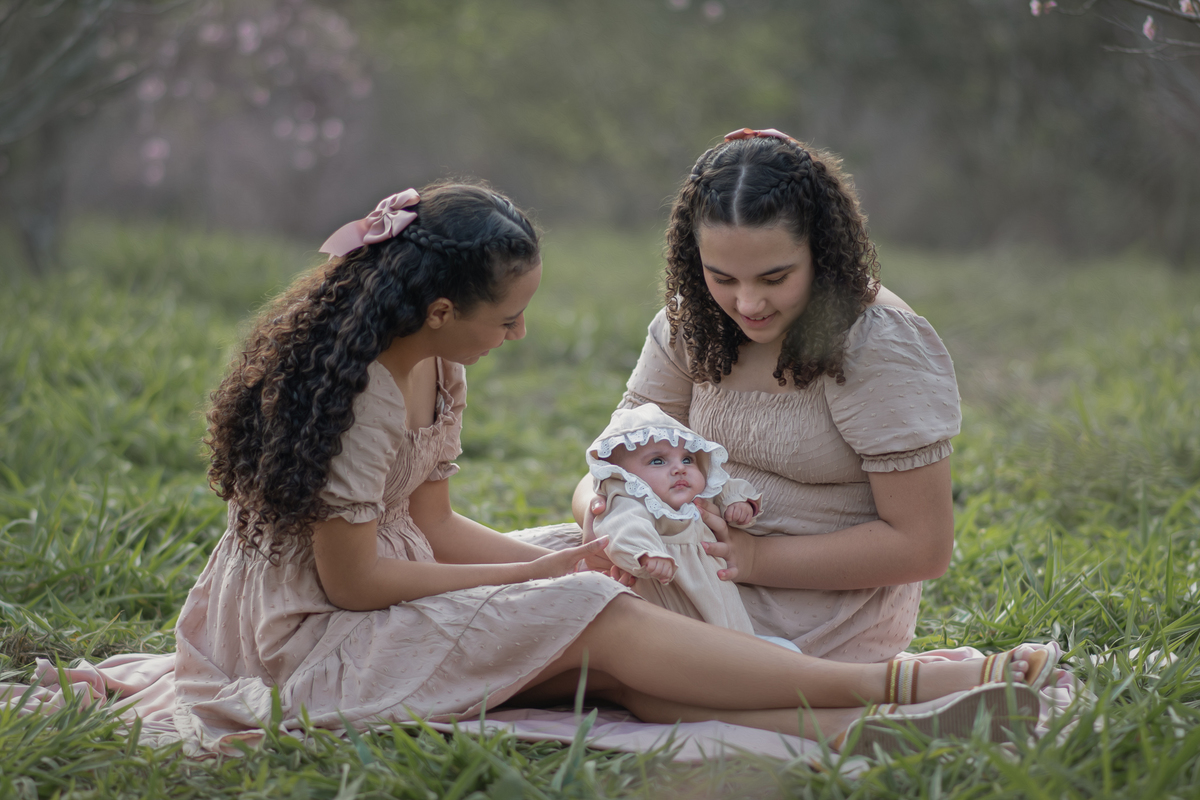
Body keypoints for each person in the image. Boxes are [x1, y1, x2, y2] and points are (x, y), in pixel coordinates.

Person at [3, 180, 1058, 758]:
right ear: (442, 310)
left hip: (380, 597)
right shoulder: (362, 395)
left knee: (589, 600)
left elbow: (442, 530)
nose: (520, 334)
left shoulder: (438, 372)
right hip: (309, 638)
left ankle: (881, 719)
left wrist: (566, 559)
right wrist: (546, 573)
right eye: (510, 315)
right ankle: (903, 690)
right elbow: (354, 581)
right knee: (583, 605)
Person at [574, 127, 965, 664]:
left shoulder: (875, 341)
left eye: (775, 277)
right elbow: (612, 459)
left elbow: (923, 546)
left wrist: (753, 558)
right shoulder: (692, 325)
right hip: (676, 557)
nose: (748, 302)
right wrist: (603, 521)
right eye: (722, 277)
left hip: (821, 606)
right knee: (510, 608)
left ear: (822, 256)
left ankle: (863, 693)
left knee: (601, 649)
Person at [587, 402, 762, 635]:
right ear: (625, 476)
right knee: (696, 646)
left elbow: (726, 487)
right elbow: (624, 527)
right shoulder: (631, 501)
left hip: (719, 596)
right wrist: (646, 553)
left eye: (688, 459)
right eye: (658, 461)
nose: (680, 468)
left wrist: (738, 503)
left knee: (737, 638)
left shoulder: (698, 497)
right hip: (674, 597)